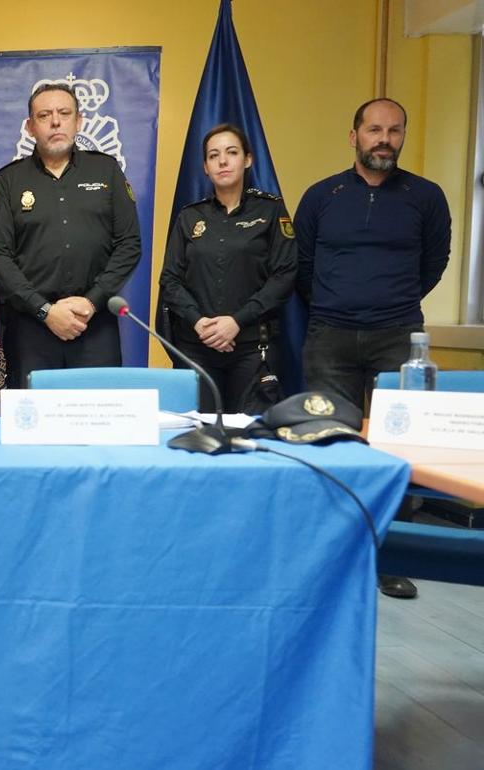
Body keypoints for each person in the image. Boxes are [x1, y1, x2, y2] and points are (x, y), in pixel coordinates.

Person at [295, 97, 451, 600]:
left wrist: (388, 302)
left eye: (395, 131)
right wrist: (339, 302)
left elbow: (434, 262)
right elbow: (301, 265)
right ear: (354, 135)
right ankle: (331, 557)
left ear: (403, 136)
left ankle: (390, 557)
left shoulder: (426, 197)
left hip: (397, 337)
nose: (384, 139)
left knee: (396, 447)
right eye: (374, 130)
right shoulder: (322, 196)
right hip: (330, 336)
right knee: (328, 441)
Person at [0, 82, 142, 388]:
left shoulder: (106, 171)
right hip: (31, 329)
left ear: (78, 121)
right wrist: (45, 311)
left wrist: (92, 302)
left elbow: (129, 244)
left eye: (64, 113)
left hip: (94, 326)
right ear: (30, 127)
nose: (55, 121)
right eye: (44, 115)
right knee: (32, 429)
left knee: (100, 425)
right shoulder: (9, 180)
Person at [158, 123, 296, 412]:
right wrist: (199, 323)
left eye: (231, 152)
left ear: (247, 159)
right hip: (196, 346)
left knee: (249, 437)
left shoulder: (270, 212)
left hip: (252, 346)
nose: (222, 161)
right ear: (205, 167)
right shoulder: (189, 216)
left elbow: (284, 276)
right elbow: (170, 279)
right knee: (197, 435)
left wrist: (236, 322)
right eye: (213, 155)